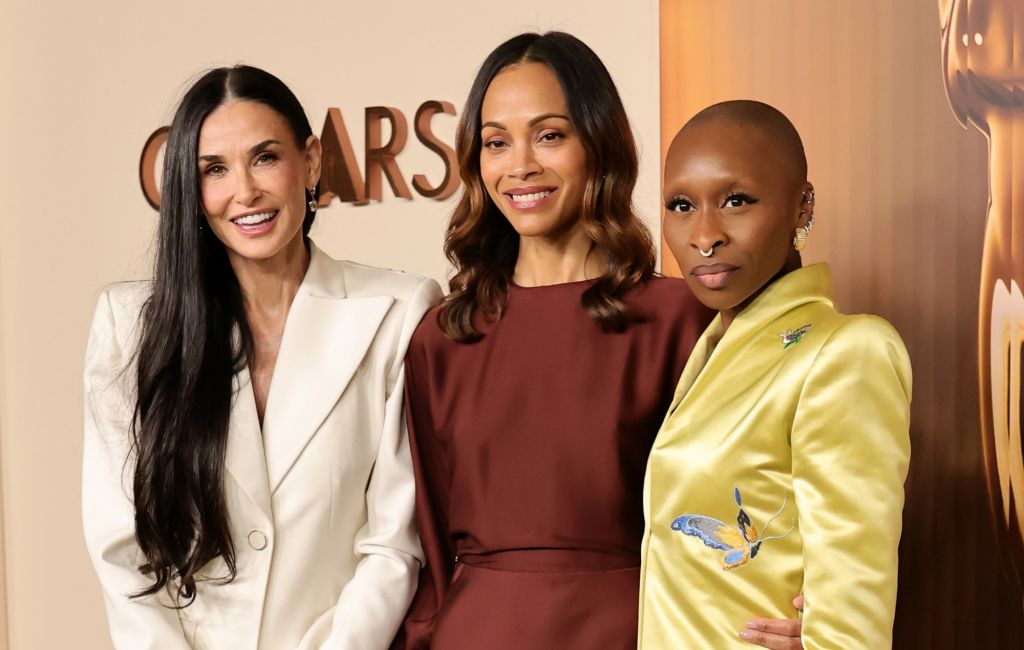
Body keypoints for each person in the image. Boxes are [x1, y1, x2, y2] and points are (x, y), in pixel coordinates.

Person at [392, 33, 801, 650]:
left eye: (550, 135)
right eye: (497, 142)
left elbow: (760, 497)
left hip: (636, 630)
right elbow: (426, 544)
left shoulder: (682, 320)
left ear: (599, 144)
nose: (520, 164)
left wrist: (806, 609)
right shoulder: (444, 337)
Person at [82, 65, 441, 650]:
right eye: (214, 170)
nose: (244, 191)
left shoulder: (397, 312)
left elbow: (392, 545)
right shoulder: (130, 326)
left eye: (265, 157)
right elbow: (122, 548)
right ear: (190, 191)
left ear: (313, 162)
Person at [637, 100, 911, 649]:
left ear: (801, 205)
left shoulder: (846, 351)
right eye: (682, 205)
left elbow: (855, 603)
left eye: (737, 200)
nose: (705, 234)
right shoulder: (711, 348)